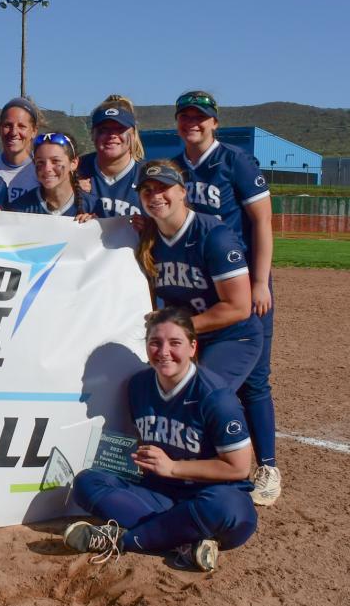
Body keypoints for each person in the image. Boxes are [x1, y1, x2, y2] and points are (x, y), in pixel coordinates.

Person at [64, 307, 258, 572]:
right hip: (160, 494)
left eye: (175, 343)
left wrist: (175, 468)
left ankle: (122, 539)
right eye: (155, 343)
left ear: (192, 347)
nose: (164, 351)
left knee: (228, 509)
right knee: (87, 482)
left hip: (208, 495)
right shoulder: (139, 386)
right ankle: (182, 542)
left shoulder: (216, 397)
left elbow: (238, 467)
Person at [172, 91, 279, 506]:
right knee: (196, 371)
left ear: (215, 122)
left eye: (201, 117)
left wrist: (260, 281)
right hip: (198, 286)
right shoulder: (175, 168)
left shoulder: (235, 160)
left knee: (254, 380)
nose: (192, 123)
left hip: (240, 283)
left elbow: (262, 221)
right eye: (185, 116)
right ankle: (207, 458)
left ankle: (266, 465)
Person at [135, 160, 263, 393]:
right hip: (185, 337)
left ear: (182, 191)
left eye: (163, 187)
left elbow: (239, 307)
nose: (155, 196)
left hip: (231, 336)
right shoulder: (147, 239)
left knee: (200, 395)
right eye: (147, 190)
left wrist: (175, 328)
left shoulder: (214, 236)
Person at [7, 132, 102, 221]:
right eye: (40, 162)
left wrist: (95, 225)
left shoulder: (94, 206)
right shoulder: (19, 208)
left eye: (55, 161)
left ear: (73, 163)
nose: (47, 168)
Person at [77, 95, 144, 217]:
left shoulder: (147, 176)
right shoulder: (75, 169)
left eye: (120, 129)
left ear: (133, 134)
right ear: (93, 134)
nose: (112, 135)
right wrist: (68, 189)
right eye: (104, 130)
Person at [0, 97, 41, 202]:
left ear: (34, 131)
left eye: (22, 126)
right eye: (8, 125)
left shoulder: (43, 172)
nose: (13, 132)